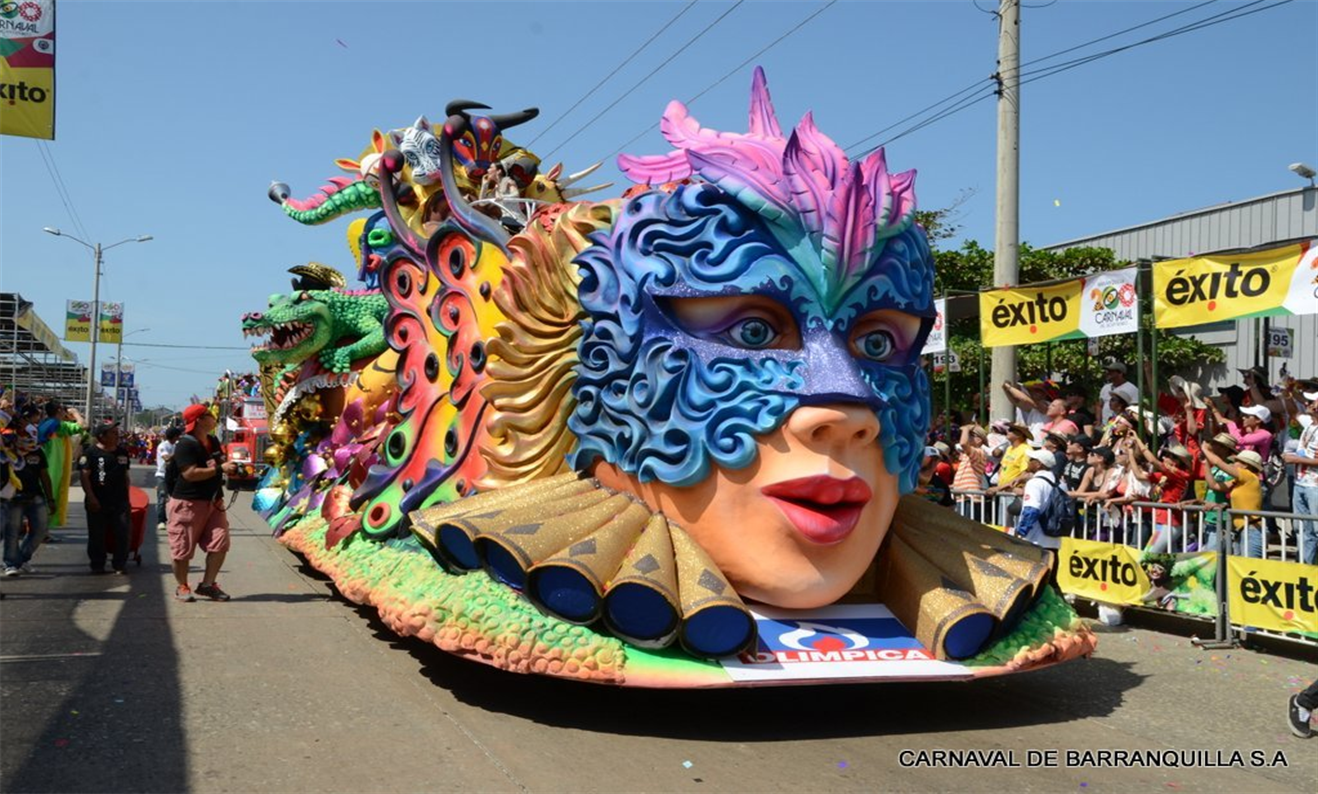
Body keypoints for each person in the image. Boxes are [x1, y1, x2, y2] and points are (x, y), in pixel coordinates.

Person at [167, 404, 239, 602]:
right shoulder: (185, 444)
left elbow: (218, 462)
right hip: (188, 503)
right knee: (182, 550)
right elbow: (189, 474)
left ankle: (208, 585)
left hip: (214, 501)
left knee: (220, 543)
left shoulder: (213, 440)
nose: (214, 417)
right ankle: (182, 586)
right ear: (199, 420)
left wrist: (229, 468)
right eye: (209, 414)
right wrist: (219, 469)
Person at [79, 422, 132, 574]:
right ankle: (97, 564)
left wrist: (127, 496)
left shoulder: (122, 453)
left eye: (117, 432)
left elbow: (125, 476)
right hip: (98, 501)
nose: (117, 436)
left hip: (120, 501)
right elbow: (85, 477)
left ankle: (120, 564)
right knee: (97, 534)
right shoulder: (90, 453)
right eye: (113, 433)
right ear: (102, 436)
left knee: (123, 532)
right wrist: (91, 497)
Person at [1201, 446, 1266, 558]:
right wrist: (1206, 464)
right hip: (1243, 529)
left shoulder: (1249, 476)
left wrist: (1205, 449)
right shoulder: (1239, 481)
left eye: (1236, 462)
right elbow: (1214, 485)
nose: (1233, 464)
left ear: (1245, 465)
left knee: (1250, 569)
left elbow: (1218, 462)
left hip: (1251, 529)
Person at [3, 430, 52, 576]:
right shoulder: (7, 453)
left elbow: (44, 476)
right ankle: (10, 564)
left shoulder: (38, 453)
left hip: (35, 496)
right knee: (12, 532)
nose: (27, 440)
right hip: (13, 498)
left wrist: (50, 499)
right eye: (24, 436)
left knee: (40, 530)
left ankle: (22, 559)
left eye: (30, 437)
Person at [1282, 387, 1318, 565]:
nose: (1307, 404)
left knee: (1316, 529)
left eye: (1311, 402)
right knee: (1302, 529)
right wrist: (1287, 394)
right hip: (1300, 483)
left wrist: (1295, 458)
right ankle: (1306, 569)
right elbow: (1294, 412)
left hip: (1315, 487)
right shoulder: (1310, 423)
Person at [1013, 449, 1060, 549]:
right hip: (1053, 542)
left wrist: (1021, 532)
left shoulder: (1035, 483)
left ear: (1038, 464)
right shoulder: (1057, 483)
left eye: (1031, 459)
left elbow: (1032, 510)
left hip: (1034, 541)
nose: (1028, 462)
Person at [953, 424, 989, 519]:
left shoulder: (979, 452)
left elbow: (963, 443)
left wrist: (965, 428)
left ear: (979, 440)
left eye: (971, 434)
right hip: (963, 497)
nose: (967, 436)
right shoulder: (967, 454)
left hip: (971, 498)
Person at [155, 426, 180, 531]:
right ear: (174, 436)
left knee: (177, 499)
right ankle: (161, 521)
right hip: (162, 475)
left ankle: (175, 520)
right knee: (162, 498)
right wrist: (178, 453)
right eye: (177, 436)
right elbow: (167, 458)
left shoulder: (176, 445)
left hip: (174, 476)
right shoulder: (163, 446)